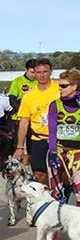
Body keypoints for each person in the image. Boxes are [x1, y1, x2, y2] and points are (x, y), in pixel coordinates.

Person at [13, 58, 60, 185]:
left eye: (45, 71)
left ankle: (63, 193)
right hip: (39, 139)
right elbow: (24, 123)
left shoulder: (59, 89)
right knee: (39, 173)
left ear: (51, 71)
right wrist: (20, 147)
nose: (42, 75)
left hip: (59, 138)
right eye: (38, 72)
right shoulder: (28, 96)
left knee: (60, 173)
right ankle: (44, 195)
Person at [47, 68, 80, 203]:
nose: (60, 88)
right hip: (59, 151)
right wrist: (53, 151)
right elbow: (52, 130)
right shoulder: (55, 105)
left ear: (75, 86)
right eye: (59, 85)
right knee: (57, 193)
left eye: (64, 86)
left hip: (77, 153)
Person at [8, 58, 38, 145]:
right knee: (17, 144)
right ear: (26, 69)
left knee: (32, 144)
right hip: (19, 118)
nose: (34, 75)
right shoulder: (17, 81)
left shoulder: (39, 82)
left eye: (36, 72)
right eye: (32, 72)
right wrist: (23, 111)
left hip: (34, 119)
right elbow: (12, 100)